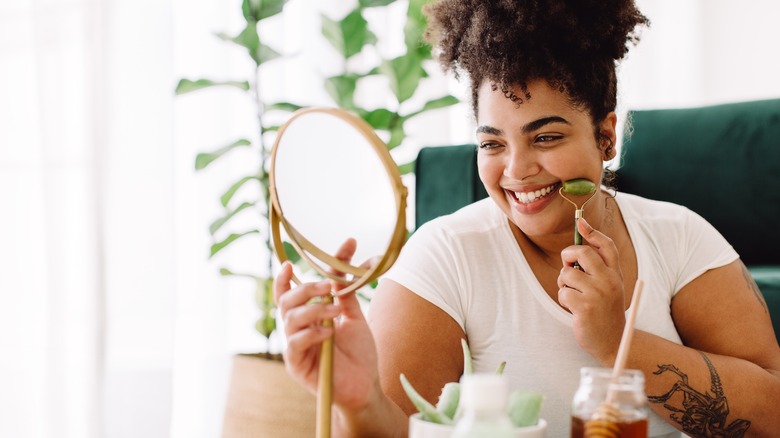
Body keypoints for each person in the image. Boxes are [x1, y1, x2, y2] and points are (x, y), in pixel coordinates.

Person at [274, 1, 780, 436]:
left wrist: (615, 342)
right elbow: (397, 428)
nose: (516, 171)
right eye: (493, 143)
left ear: (605, 136)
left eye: (546, 137)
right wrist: (360, 405)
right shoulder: (447, 256)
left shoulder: (678, 237)